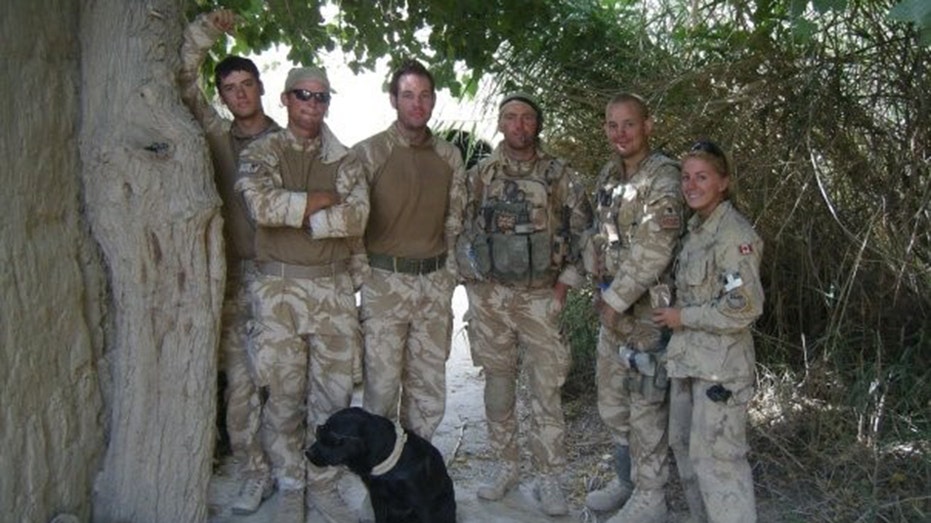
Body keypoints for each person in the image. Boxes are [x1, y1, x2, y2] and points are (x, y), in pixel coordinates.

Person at [235, 66, 368, 523]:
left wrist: (304, 214)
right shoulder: (262, 151)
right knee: (284, 396)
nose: (312, 104)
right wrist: (323, 200)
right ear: (286, 99)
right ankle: (291, 484)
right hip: (278, 292)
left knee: (332, 398)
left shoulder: (345, 158)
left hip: (331, 291)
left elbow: (358, 218)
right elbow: (261, 207)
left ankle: (324, 482)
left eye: (320, 97)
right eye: (303, 95)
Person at [458, 92, 592, 516]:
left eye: (527, 118)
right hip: (491, 299)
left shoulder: (559, 175)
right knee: (498, 386)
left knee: (545, 390)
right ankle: (505, 467)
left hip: (540, 297)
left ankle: (549, 476)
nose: (519, 125)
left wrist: (563, 288)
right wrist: (472, 282)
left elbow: (583, 233)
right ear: (500, 124)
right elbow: (459, 230)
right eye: (510, 117)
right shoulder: (480, 175)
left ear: (537, 125)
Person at [178, 8, 282, 514]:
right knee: (239, 384)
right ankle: (253, 472)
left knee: (284, 382)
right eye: (230, 88)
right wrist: (205, 33)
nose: (239, 94)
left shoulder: (289, 144)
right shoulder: (217, 139)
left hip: (285, 281)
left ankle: (291, 465)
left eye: (247, 84)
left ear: (261, 87)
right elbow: (182, 82)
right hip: (236, 281)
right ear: (222, 95)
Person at [340, 59, 466, 441]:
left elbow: (454, 220)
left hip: (433, 285)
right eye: (408, 95)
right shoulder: (368, 154)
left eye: (424, 95)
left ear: (433, 101)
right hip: (385, 285)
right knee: (380, 390)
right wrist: (363, 275)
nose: (417, 103)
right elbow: (352, 223)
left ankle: (417, 469)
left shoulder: (448, 156)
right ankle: (379, 481)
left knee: (428, 389)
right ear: (393, 99)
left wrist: (448, 275)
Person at [581, 93, 684, 523]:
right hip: (612, 309)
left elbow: (654, 248)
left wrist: (616, 298)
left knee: (646, 405)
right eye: (613, 125)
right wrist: (594, 276)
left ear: (648, 126)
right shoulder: (610, 175)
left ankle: (651, 496)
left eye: (629, 124)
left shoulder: (665, 176)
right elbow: (600, 235)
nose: (620, 133)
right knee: (614, 402)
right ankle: (625, 482)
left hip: (647, 313)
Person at [653, 140, 763, 523]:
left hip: (721, 368)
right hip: (689, 362)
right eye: (686, 177)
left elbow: (744, 308)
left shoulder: (733, 234)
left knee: (718, 460)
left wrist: (684, 316)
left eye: (702, 177)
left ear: (723, 182)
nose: (691, 185)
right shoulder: (697, 229)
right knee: (685, 448)